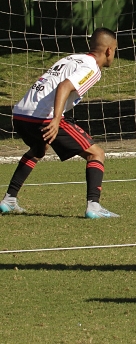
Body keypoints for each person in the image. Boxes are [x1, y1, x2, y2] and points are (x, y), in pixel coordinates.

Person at [1, 28, 118, 218]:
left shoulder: (72, 58)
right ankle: (94, 207)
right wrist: (56, 119)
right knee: (96, 153)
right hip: (43, 117)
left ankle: (9, 200)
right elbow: (64, 86)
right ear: (109, 50)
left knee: (39, 149)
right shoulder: (92, 69)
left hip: (21, 113)